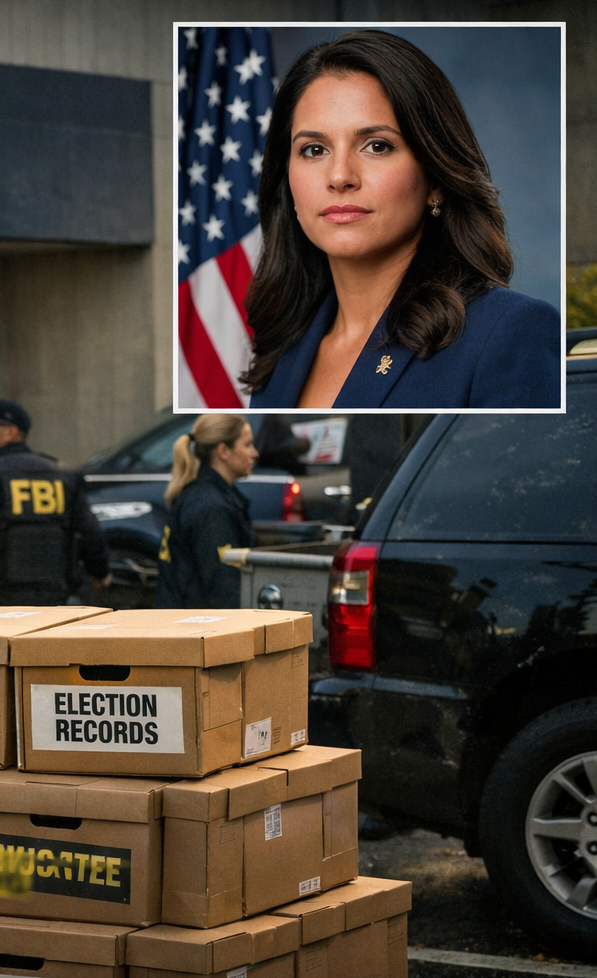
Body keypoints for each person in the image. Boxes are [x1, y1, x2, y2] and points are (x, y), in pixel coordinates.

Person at [245, 29, 559, 409]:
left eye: (377, 146)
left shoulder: (509, 333)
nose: (340, 176)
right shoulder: (284, 347)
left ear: (436, 178)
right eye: (314, 149)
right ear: (287, 180)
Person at [0, 398, 111, 606]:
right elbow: (90, 532)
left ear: (11, 432)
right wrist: (100, 572)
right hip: (56, 600)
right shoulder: (62, 475)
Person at [155, 413, 258, 609]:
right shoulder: (212, 509)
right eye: (247, 445)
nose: (254, 453)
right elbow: (225, 592)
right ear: (223, 451)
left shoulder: (200, 495)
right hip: (196, 630)